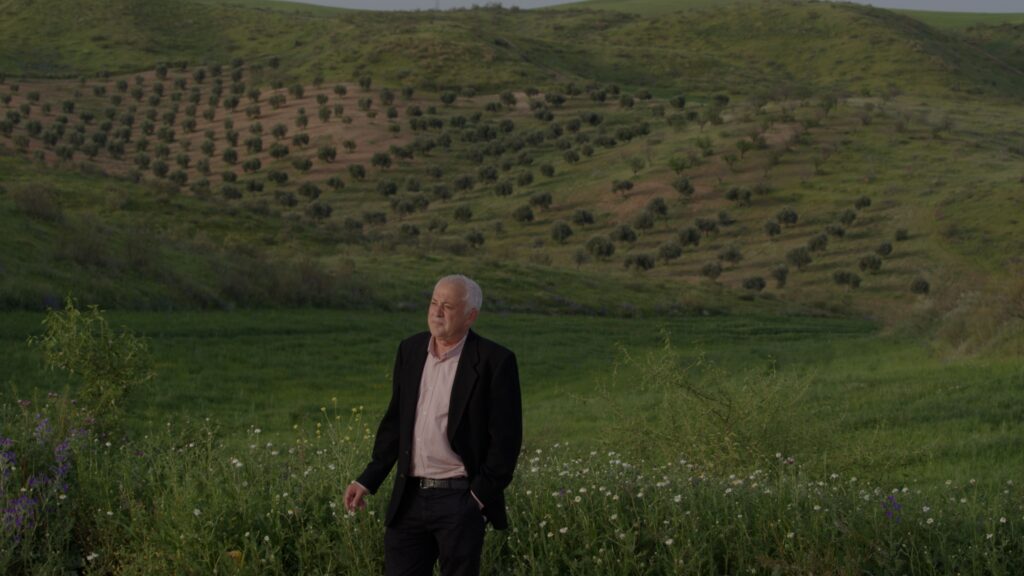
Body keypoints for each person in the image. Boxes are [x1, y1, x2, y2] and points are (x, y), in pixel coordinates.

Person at [344, 274, 523, 576]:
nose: (437, 312)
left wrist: (476, 499)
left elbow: (506, 442)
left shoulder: (495, 361)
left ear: (470, 316)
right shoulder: (410, 350)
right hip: (409, 497)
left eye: (448, 306)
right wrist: (367, 479)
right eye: (433, 303)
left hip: (460, 499)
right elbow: (396, 423)